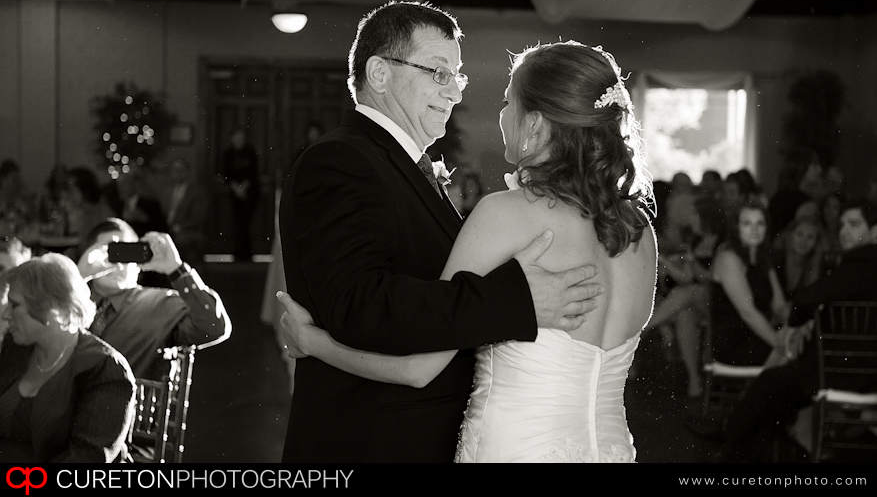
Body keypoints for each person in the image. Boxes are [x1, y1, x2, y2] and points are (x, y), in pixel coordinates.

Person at [281, 38, 654, 462]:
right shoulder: (637, 231)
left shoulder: (506, 215)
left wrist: (312, 342)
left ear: (533, 124)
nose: (501, 115)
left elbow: (419, 370)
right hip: (612, 449)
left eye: (507, 102)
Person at [715, 199, 877, 461]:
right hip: (847, 364)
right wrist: (797, 329)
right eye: (843, 224)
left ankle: (731, 442)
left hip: (848, 370)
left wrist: (794, 326)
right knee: (777, 388)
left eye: (854, 224)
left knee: (773, 386)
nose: (845, 230)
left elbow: (805, 300)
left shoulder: (865, 259)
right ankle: (744, 444)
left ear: (872, 231)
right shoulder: (861, 261)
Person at [0, 254, 135, 462]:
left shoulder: (106, 368)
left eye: (15, 305)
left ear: (50, 309)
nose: (6, 315)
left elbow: (87, 458)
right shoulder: (16, 347)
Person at [76, 218, 231, 381]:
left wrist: (175, 268)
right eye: (109, 253)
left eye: (125, 252)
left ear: (138, 263)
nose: (118, 263)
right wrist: (78, 276)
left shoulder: (161, 305)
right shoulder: (69, 300)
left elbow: (213, 327)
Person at [709, 199, 787, 366]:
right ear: (736, 228)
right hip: (735, 342)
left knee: (804, 345)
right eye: (747, 223)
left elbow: (780, 307)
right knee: (793, 356)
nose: (755, 229)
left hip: (758, 334)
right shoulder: (728, 257)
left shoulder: (764, 258)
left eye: (760, 223)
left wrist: (795, 327)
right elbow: (748, 312)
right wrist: (781, 344)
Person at [161, 159, 208, 271]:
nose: (177, 173)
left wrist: (179, 227)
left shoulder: (197, 192)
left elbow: (197, 218)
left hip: (187, 231)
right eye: (175, 170)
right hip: (167, 229)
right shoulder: (167, 191)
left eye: (181, 170)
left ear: (187, 172)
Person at [222, 129, 260, 261]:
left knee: (245, 221)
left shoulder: (250, 152)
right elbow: (226, 172)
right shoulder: (228, 153)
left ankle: (246, 253)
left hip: (250, 192)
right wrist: (235, 188)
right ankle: (238, 252)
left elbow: (253, 172)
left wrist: (243, 187)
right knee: (237, 221)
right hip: (234, 193)